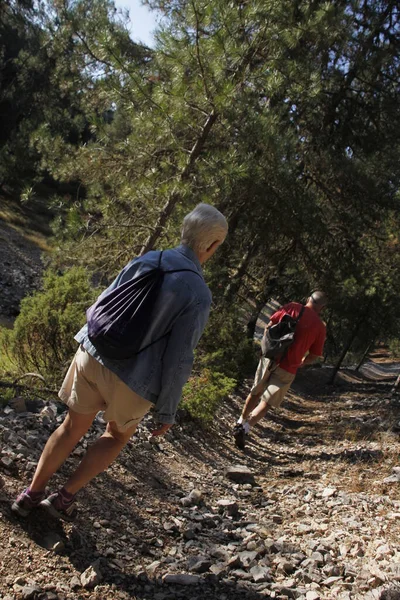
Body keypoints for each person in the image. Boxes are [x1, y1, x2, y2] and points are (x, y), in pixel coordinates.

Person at [12, 203, 228, 520]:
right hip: (135, 381)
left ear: (184, 232)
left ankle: (31, 495)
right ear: (211, 245)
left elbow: (106, 303)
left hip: (95, 353)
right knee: (115, 436)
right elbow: (180, 358)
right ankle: (62, 499)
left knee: (71, 426)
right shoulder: (198, 293)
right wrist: (167, 410)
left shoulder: (147, 259)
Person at [233, 291, 327, 450]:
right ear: (322, 308)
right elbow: (315, 354)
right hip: (289, 367)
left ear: (308, 299)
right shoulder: (319, 326)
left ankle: (240, 421)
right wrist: (302, 362)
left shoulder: (292, 307)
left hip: (270, 357)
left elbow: (270, 324)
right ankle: (246, 428)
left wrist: (265, 347)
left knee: (255, 392)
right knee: (267, 401)